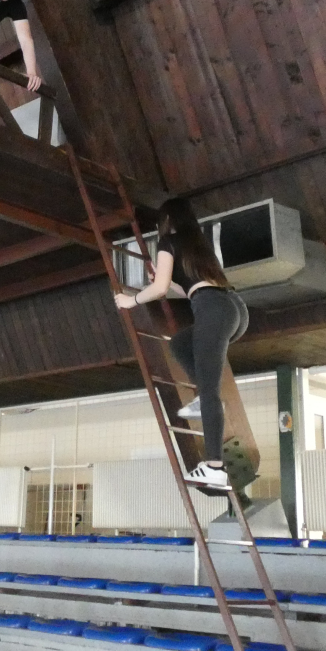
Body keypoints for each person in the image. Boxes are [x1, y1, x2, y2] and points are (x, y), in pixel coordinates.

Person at [113, 198, 247, 492]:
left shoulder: (169, 242)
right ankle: (204, 401)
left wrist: (130, 301)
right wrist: (167, 283)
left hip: (214, 309)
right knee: (180, 344)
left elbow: (159, 289)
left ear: (166, 221)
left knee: (210, 391)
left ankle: (215, 468)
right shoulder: (198, 245)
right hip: (233, 308)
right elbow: (192, 288)